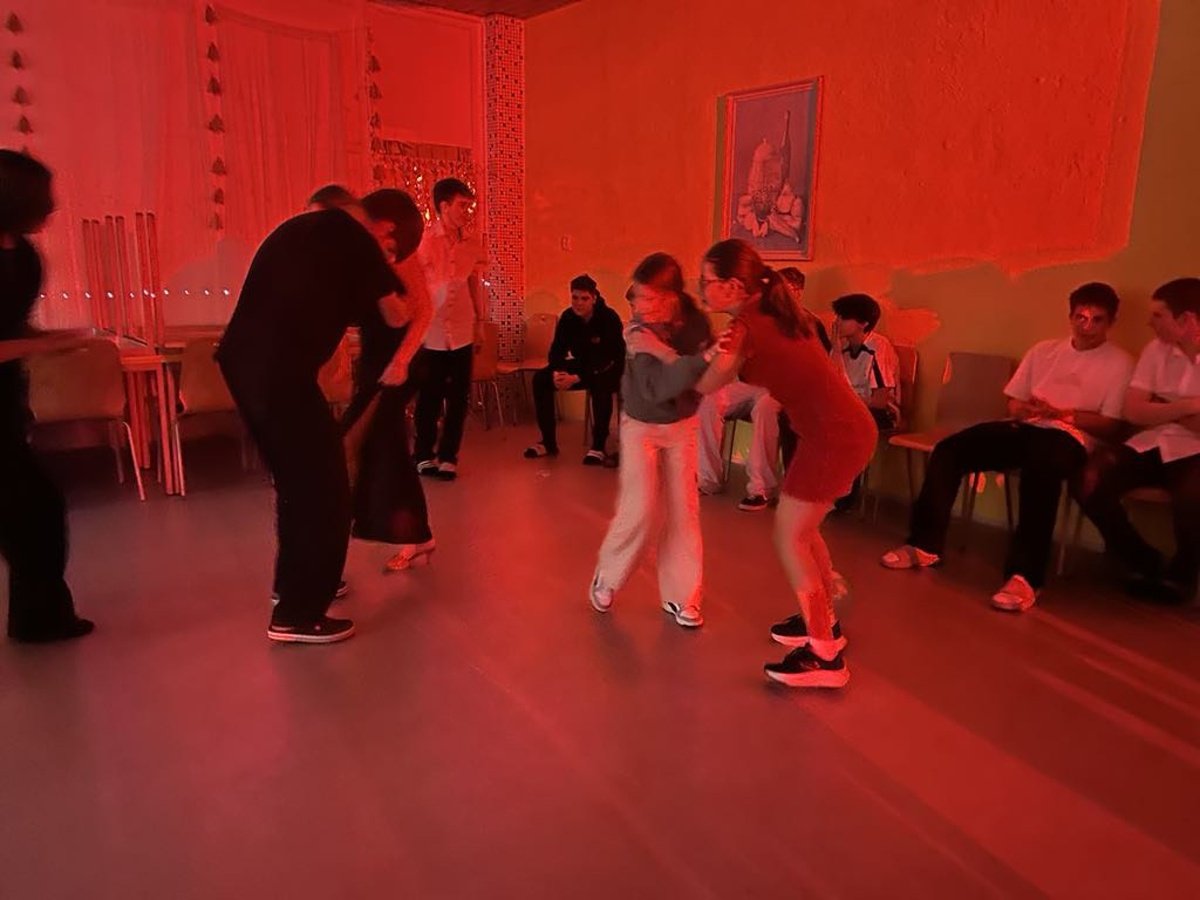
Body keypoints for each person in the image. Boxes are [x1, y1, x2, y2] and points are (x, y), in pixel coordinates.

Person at [217, 197, 407, 644]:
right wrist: (394, 278)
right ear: (374, 223)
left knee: (298, 485)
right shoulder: (356, 238)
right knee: (326, 489)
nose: (388, 245)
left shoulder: (295, 231)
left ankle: (291, 588)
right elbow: (396, 313)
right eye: (388, 239)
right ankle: (299, 614)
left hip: (244, 364)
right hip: (280, 376)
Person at [881, 283, 1133, 611]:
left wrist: (1064, 414)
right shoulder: (1044, 351)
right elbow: (1013, 401)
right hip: (1027, 427)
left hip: (1071, 437)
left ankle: (1025, 577)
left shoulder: (1120, 362)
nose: (1087, 327)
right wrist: (1024, 410)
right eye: (1080, 318)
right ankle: (924, 545)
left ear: (1111, 322)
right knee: (950, 450)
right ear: (1070, 316)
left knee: (1041, 471)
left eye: (1097, 320)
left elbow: (1111, 424)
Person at [695, 238, 877, 688]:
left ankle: (825, 657)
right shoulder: (773, 309)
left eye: (707, 281)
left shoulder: (748, 326)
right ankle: (824, 623)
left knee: (790, 536)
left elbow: (709, 382)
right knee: (803, 532)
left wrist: (669, 374)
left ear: (733, 285)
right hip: (834, 431)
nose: (701, 289)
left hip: (833, 437)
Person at [590, 254, 713, 628]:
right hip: (641, 423)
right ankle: (607, 578)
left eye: (650, 298)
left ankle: (683, 596)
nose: (640, 306)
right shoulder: (636, 332)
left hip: (682, 424)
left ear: (672, 295)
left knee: (684, 510)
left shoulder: (695, 324)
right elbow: (658, 388)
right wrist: (695, 362)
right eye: (638, 298)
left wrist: (676, 357)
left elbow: (702, 380)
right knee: (640, 508)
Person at [0, 149, 93, 643]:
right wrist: (44, 345)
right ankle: (39, 619)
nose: (52, 206)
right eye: (42, 197)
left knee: (34, 512)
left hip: (5, 402)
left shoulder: (24, 256)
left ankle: (38, 619)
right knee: (34, 509)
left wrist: (54, 339)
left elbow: (12, 327)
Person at [1078, 277, 1200, 604]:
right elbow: (1132, 411)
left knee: (1193, 498)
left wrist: (1160, 405)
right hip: (1153, 442)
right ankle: (1141, 560)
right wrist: (1188, 407)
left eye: (1158, 315)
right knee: (1088, 479)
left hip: (1196, 451)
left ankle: (1181, 578)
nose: (1149, 323)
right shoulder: (1155, 351)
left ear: (1186, 319)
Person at [342, 189, 438, 574]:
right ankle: (419, 536)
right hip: (375, 363)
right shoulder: (365, 253)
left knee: (365, 446)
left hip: (398, 364)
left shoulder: (400, 255)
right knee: (385, 449)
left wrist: (400, 362)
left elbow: (424, 311)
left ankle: (407, 534)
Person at [696, 266, 825, 509]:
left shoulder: (808, 323)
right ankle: (708, 478)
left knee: (765, 408)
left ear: (798, 292)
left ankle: (761, 489)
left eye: (786, 289)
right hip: (752, 383)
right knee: (710, 400)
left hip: (784, 388)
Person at [413, 178, 488, 481]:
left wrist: (479, 323)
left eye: (469, 206)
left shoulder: (472, 243)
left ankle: (448, 456)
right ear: (444, 206)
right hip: (431, 330)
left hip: (462, 328)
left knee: (459, 396)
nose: (467, 212)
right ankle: (423, 454)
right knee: (429, 395)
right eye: (462, 205)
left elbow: (474, 283)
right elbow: (417, 286)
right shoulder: (425, 242)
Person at [523, 274, 625, 464]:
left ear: (594, 298)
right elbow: (557, 350)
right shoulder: (568, 317)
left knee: (601, 385)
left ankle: (598, 446)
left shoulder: (609, 318)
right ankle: (548, 442)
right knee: (541, 379)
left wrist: (578, 377)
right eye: (575, 297)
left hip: (610, 367)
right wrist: (558, 372)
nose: (578, 303)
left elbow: (608, 357)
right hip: (582, 364)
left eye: (584, 298)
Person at [828, 293, 900, 511]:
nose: (837, 322)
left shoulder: (878, 347)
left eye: (843, 317)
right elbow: (830, 384)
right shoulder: (841, 346)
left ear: (863, 323)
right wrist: (836, 351)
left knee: (844, 425)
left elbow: (880, 401)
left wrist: (848, 400)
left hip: (880, 412)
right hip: (847, 406)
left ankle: (842, 494)